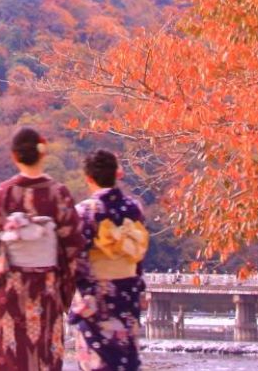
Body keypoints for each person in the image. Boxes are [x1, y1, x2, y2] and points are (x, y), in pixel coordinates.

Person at [0, 127, 83, 371]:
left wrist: (0, 265)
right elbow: (73, 246)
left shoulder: (4, 193)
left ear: (14, 156)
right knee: (46, 354)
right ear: (43, 154)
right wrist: (65, 290)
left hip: (12, 287)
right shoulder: (58, 194)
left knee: (11, 356)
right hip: (47, 288)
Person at [68, 149, 150, 371]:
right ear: (117, 174)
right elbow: (138, 253)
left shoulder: (85, 211)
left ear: (88, 178)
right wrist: (139, 287)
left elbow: (75, 259)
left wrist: (81, 290)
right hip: (127, 294)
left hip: (97, 299)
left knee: (97, 362)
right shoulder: (134, 208)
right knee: (126, 361)